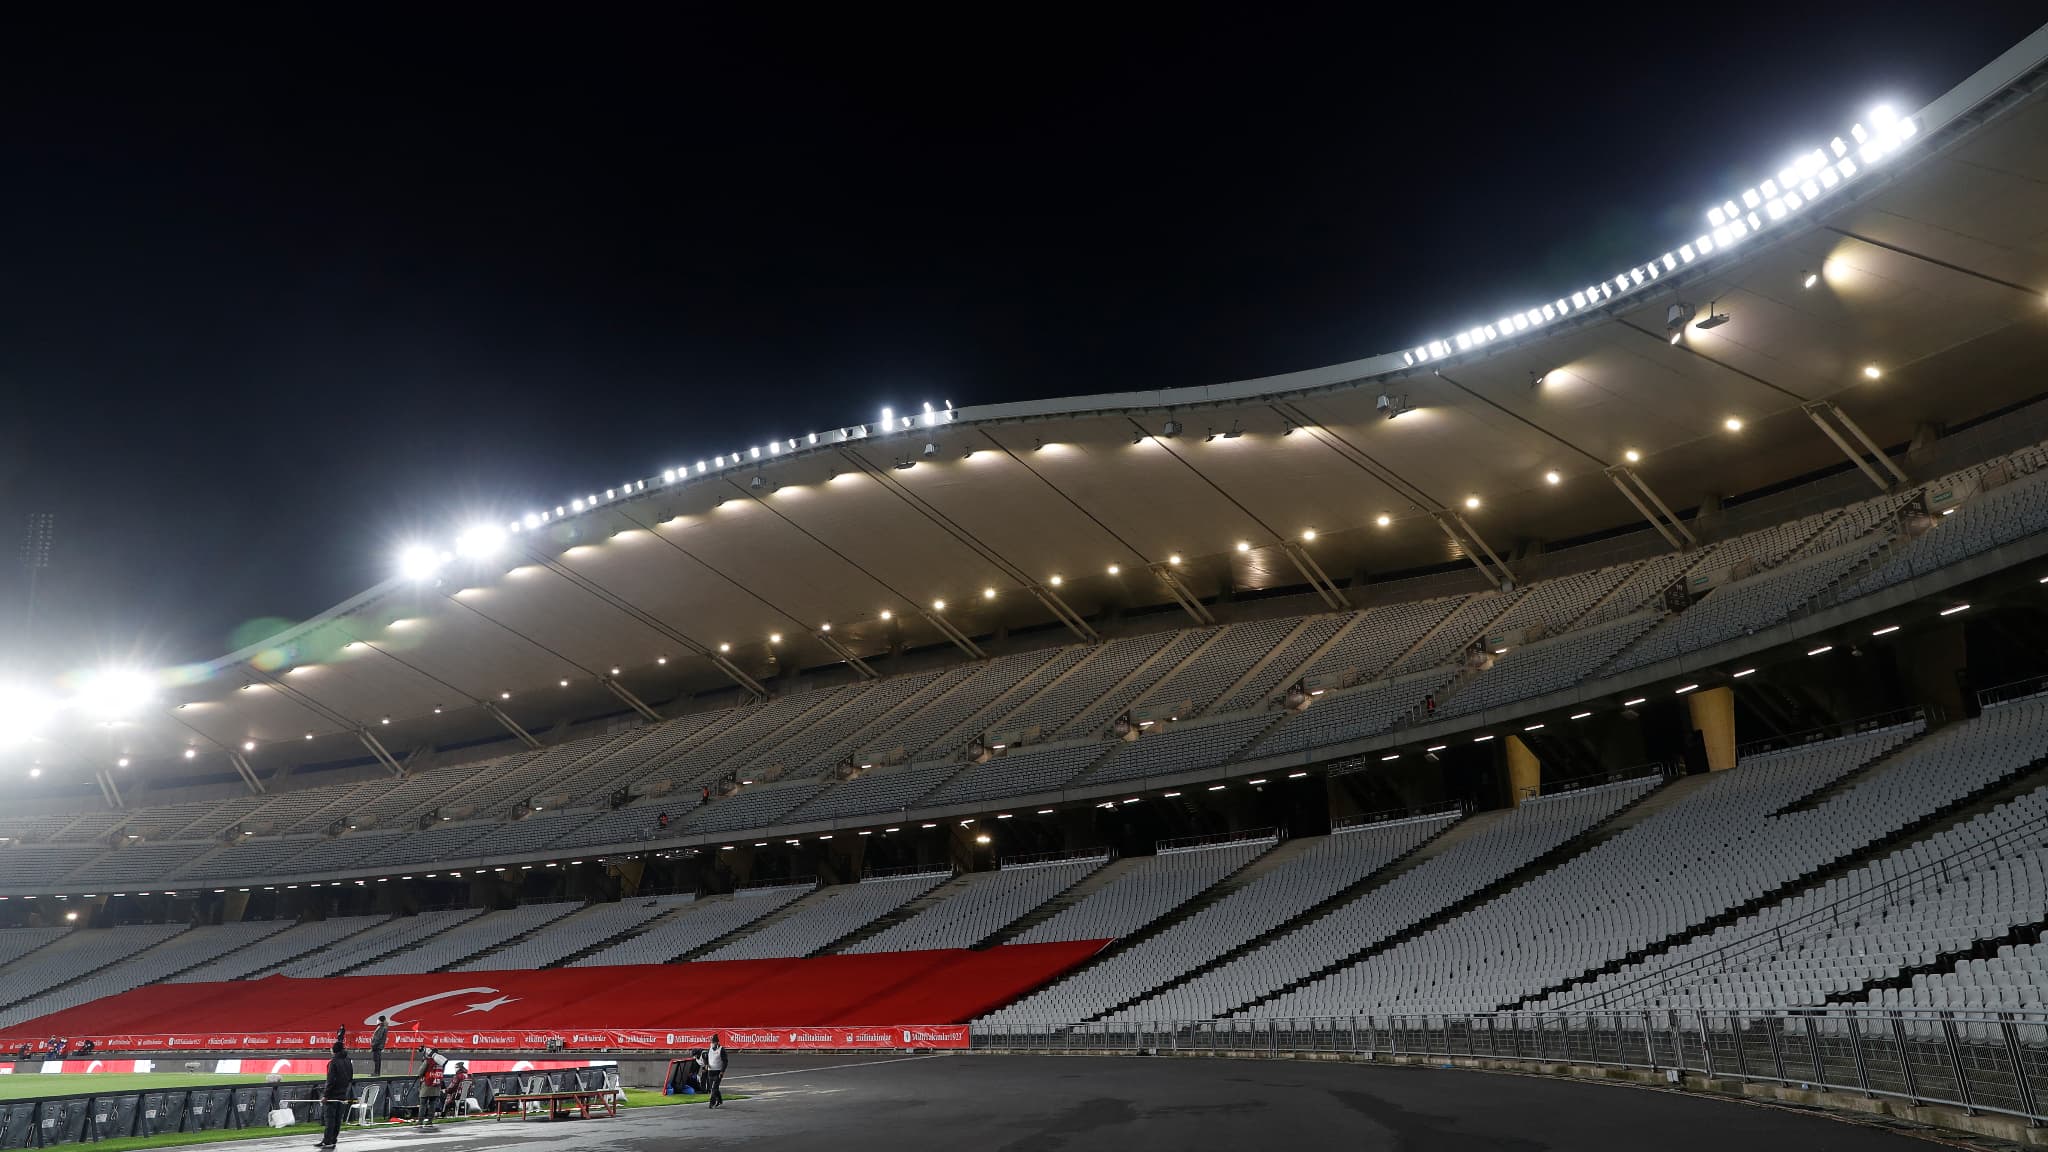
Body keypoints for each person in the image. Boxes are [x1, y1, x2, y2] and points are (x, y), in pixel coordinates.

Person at [317, 1039, 353, 1150]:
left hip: (332, 1096)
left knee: (330, 1119)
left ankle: (328, 1141)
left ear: (334, 1051)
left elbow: (330, 1080)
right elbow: (350, 1077)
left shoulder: (333, 1062)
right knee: (337, 1119)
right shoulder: (348, 1060)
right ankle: (332, 1140)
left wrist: (325, 1095)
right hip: (343, 1094)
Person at [416, 1048, 444, 1128]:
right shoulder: (441, 1062)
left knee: (423, 1104)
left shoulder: (428, 1061)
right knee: (433, 1103)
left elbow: (420, 1072)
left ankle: (420, 1121)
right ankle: (430, 1121)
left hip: (427, 1085)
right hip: (437, 1085)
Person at [702, 1034, 727, 1108]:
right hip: (710, 1071)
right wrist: (706, 1064)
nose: (712, 1044)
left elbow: (725, 1061)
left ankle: (711, 1103)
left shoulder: (721, 1050)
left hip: (718, 1071)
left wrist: (722, 1071)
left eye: (714, 1042)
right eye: (712, 1042)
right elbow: (705, 1058)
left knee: (714, 1088)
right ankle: (719, 1100)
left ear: (717, 1042)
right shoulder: (709, 1049)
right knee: (712, 1088)